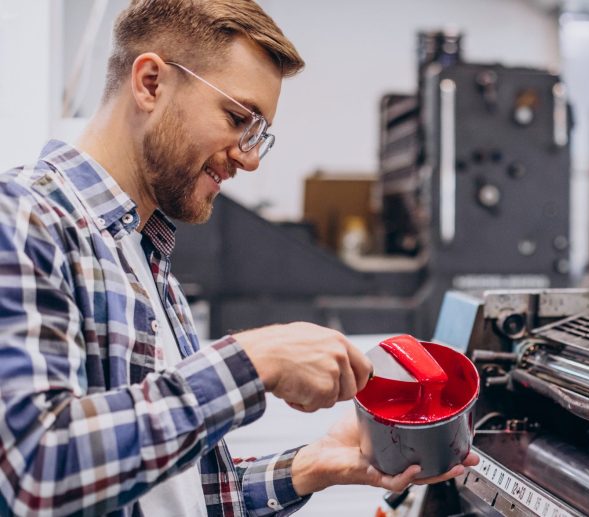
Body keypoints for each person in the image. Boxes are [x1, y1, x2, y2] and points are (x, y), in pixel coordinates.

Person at [0, 0, 477, 515]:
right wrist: (255, 361)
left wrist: (311, 466)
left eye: (259, 134)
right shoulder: (26, 218)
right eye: (237, 118)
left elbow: (181, 499)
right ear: (150, 83)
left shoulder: (145, 256)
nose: (249, 158)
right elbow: (36, 470)